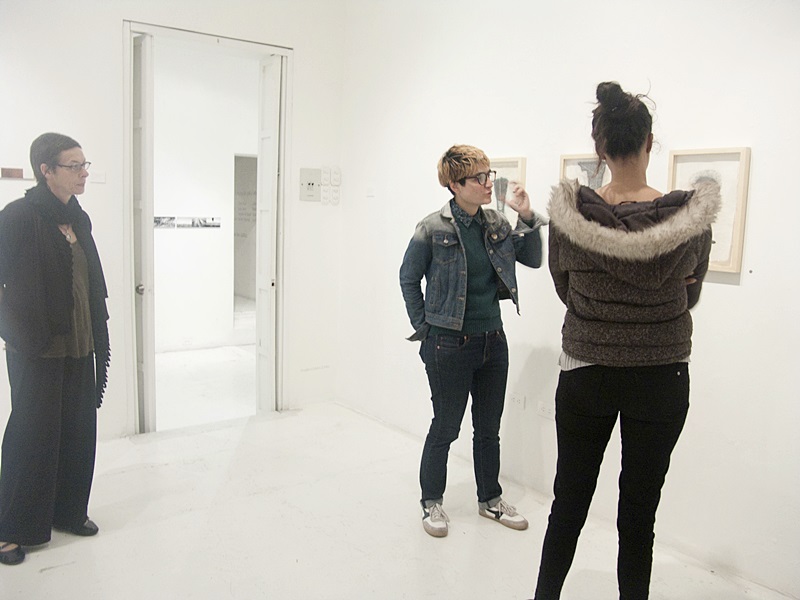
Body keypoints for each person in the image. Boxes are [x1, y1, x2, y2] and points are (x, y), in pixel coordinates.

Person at [532, 83, 721, 599]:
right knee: (639, 513)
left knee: (568, 503)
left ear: (600, 149)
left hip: (585, 370)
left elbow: (565, 289)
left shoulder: (571, 218)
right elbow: (690, 293)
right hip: (661, 377)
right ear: (649, 142)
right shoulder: (689, 223)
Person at [400, 144, 546, 538]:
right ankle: (431, 501)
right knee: (446, 427)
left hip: (492, 341)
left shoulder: (495, 223)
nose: (487, 184)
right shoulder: (432, 228)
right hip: (448, 345)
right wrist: (425, 327)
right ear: (454, 185)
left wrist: (526, 215)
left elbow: (532, 258)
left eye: (488, 176)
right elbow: (408, 278)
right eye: (478, 178)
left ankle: (490, 500)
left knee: (488, 429)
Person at [0, 133, 110, 566]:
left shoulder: (79, 219)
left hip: (80, 344)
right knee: (31, 436)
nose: (83, 173)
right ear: (45, 170)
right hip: (36, 349)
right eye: (73, 165)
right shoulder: (18, 217)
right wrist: (15, 332)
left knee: (77, 431)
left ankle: (67, 511)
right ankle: (11, 529)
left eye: (85, 164)